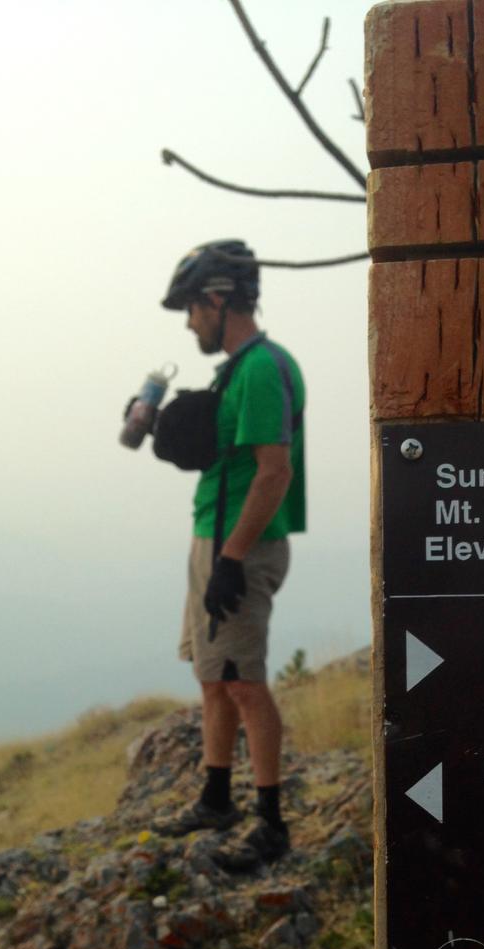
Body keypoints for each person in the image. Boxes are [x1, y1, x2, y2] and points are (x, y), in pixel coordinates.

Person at [153, 240, 306, 860]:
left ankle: (271, 825)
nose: (190, 322)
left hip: (242, 546)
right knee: (213, 676)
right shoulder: (237, 370)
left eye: (192, 308)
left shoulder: (264, 368)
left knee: (244, 683)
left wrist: (234, 559)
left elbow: (274, 473)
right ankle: (216, 800)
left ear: (218, 300)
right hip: (215, 541)